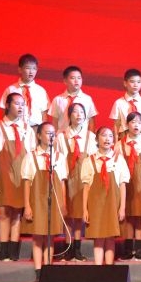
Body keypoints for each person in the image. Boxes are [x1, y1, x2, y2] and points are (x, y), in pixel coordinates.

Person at [0, 92, 33, 262]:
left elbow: (31, 155)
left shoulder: (27, 129)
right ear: (7, 105)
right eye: (17, 103)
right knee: (4, 212)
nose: (20, 107)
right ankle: (3, 250)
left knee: (17, 213)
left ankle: (13, 251)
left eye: (23, 104)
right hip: (4, 174)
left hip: (21, 174)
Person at [21, 123, 67, 282]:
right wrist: (27, 205)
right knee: (37, 237)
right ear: (39, 136)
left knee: (50, 236)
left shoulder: (60, 157)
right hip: (37, 199)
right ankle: (38, 273)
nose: (51, 136)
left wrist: (63, 203)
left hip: (54, 199)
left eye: (53, 133)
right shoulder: (31, 156)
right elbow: (27, 182)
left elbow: (62, 182)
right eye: (47, 133)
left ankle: (48, 271)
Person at [82, 127, 129, 265]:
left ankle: (109, 269)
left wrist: (122, 208)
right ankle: (98, 269)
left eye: (110, 136)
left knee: (110, 236)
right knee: (98, 237)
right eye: (104, 135)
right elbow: (86, 187)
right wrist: (85, 209)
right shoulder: (89, 161)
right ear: (97, 139)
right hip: (96, 204)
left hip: (112, 203)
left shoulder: (118, 159)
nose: (107, 138)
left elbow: (122, 185)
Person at [56, 102, 95, 261]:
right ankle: (68, 246)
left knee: (79, 214)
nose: (79, 115)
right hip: (66, 178)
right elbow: (58, 158)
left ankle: (77, 248)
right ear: (69, 116)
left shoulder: (90, 137)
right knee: (67, 213)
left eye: (81, 112)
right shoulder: (61, 136)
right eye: (75, 112)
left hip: (83, 179)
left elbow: (92, 160)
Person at [116, 112, 141, 261]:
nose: (136, 125)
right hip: (125, 185)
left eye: (139, 122)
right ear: (127, 125)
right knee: (127, 216)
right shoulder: (120, 144)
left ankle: (138, 249)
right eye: (133, 122)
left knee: (139, 216)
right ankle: (127, 249)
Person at [0, 53, 49, 129]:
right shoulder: (11, 89)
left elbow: (44, 114)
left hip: (35, 128)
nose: (31, 72)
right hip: (16, 128)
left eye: (34, 68)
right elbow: (4, 112)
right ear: (20, 69)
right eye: (28, 68)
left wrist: (42, 131)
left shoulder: (41, 91)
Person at [48, 65, 98, 133]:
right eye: (73, 78)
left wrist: (90, 137)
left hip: (81, 137)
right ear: (65, 81)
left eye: (79, 78)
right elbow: (55, 122)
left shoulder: (87, 99)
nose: (76, 81)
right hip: (63, 137)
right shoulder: (57, 100)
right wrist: (56, 137)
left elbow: (91, 122)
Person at [110, 68, 141, 139]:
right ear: (125, 83)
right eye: (132, 82)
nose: (135, 85)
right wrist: (116, 142)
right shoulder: (119, 103)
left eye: (138, 82)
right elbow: (116, 125)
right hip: (124, 138)